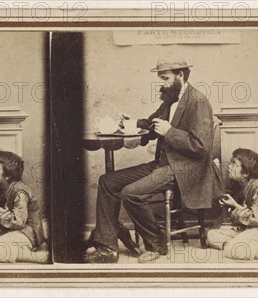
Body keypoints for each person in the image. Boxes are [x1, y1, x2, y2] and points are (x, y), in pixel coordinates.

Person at [84, 56, 217, 263]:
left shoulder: (198, 102)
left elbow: (201, 147)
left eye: (165, 78)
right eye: (161, 79)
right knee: (107, 181)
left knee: (130, 193)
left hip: (185, 169)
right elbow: (152, 123)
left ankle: (157, 244)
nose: (162, 83)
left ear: (180, 75)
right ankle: (107, 246)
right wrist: (132, 122)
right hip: (163, 164)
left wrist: (170, 131)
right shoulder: (171, 99)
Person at [207, 148, 258, 261]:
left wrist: (235, 205)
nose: (229, 166)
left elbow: (257, 220)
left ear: (246, 172)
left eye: (234, 163)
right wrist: (230, 206)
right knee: (211, 235)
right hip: (250, 229)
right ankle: (246, 245)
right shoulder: (243, 187)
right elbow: (241, 218)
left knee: (231, 249)